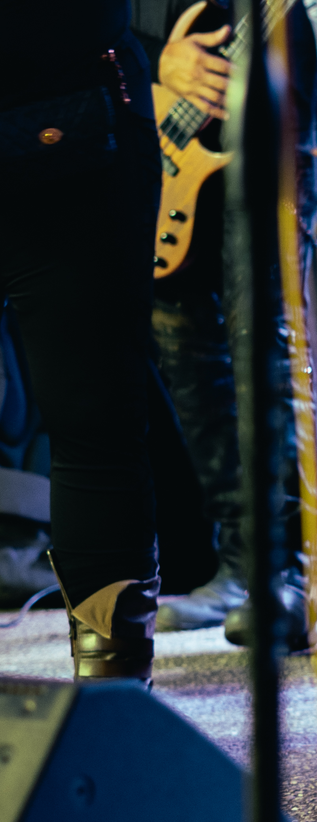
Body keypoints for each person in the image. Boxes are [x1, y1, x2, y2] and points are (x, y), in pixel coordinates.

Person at [132, 0, 317, 646]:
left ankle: (290, 575)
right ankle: (239, 566)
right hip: (164, 129)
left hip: (272, 132)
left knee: (267, 351)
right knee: (188, 363)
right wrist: (155, 62)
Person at [0, 5, 173, 682]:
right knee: (95, 418)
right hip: (73, 106)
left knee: (94, 411)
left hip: (75, 114)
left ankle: (113, 690)